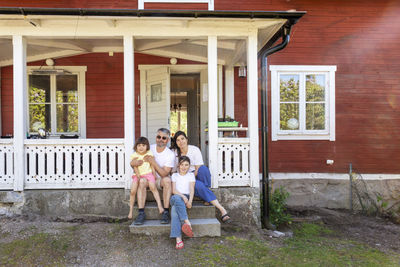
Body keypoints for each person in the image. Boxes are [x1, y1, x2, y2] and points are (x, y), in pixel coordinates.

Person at [171, 131, 231, 223]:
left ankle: (206, 195)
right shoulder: (175, 153)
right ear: (176, 142)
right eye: (178, 140)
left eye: (182, 139)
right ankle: (222, 209)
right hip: (184, 176)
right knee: (198, 186)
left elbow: (198, 169)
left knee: (204, 169)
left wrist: (191, 178)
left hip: (195, 173)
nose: (181, 142)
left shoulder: (194, 149)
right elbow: (174, 170)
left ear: (186, 139)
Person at [130, 128, 175, 225]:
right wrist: (133, 163)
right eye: (159, 137)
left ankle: (166, 211)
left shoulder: (170, 154)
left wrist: (153, 162)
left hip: (160, 179)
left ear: (167, 140)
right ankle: (141, 213)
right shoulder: (149, 148)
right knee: (141, 181)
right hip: (147, 177)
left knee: (167, 180)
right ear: (156, 137)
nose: (161, 139)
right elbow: (136, 158)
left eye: (164, 138)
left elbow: (164, 173)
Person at [128, 137, 164, 220]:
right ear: (136, 146)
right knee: (133, 191)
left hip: (148, 174)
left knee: (153, 187)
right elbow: (134, 165)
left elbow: (151, 164)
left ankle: (159, 205)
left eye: (143, 145)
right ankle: (130, 211)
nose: (141, 147)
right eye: (139, 145)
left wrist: (154, 173)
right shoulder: (135, 155)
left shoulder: (149, 153)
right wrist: (137, 175)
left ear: (147, 146)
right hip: (138, 175)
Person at [170, 156, 195, 249]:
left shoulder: (191, 176)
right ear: (178, 165)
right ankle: (186, 221)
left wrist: (190, 201)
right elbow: (173, 190)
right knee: (177, 198)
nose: (184, 167)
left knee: (174, 210)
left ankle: (178, 238)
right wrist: (183, 196)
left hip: (186, 197)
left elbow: (192, 190)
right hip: (176, 197)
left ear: (189, 166)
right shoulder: (174, 175)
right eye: (182, 164)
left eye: (186, 165)